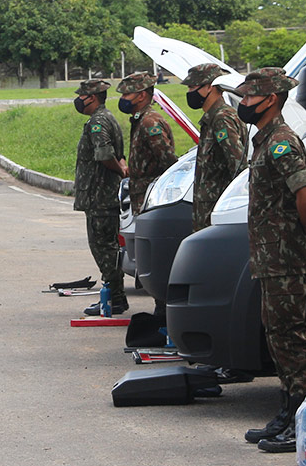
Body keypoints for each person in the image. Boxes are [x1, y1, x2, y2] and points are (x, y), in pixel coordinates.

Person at [235, 68, 306, 453]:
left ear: (270, 99)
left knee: (291, 339)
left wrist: (303, 229)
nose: (243, 104)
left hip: (285, 256)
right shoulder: (265, 140)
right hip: (271, 257)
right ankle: (289, 413)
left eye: (248, 97)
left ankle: (305, 422)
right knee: (277, 337)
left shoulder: (281, 142)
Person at [72, 79, 128, 316]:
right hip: (102, 195)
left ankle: (114, 298)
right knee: (108, 247)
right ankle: (116, 296)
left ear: (92, 97)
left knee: (103, 248)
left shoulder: (98, 122)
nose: (78, 100)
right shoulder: (108, 118)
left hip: (99, 196)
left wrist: (119, 170)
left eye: (82, 96)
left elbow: (105, 154)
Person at [184, 63, 248, 232]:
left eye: (193, 87)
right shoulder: (212, 118)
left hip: (217, 212)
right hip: (208, 213)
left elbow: (239, 167)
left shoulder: (221, 119)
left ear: (210, 87)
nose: (189, 93)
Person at [118, 72, 175, 215]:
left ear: (141, 96)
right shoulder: (140, 120)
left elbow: (167, 160)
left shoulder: (150, 122)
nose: (123, 99)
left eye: (127, 95)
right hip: (141, 195)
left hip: (150, 197)